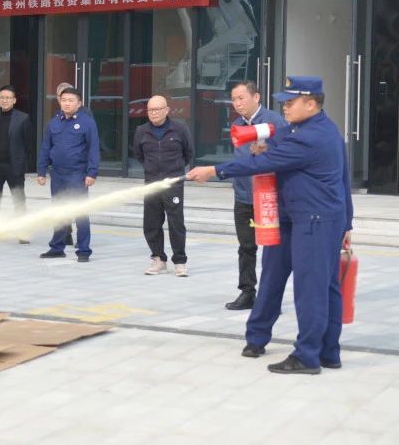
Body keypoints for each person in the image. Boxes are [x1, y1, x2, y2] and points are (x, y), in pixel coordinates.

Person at [187, 76, 353, 375]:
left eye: (291, 102)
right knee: (294, 281)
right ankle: (326, 352)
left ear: (312, 103)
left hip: (314, 221)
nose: (285, 108)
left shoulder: (310, 137)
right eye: (284, 102)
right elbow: (342, 178)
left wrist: (215, 170)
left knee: (312, 289)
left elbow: (261, 164)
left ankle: (308, 356)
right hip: (299, 218)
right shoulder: (312, 129)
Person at [224, 81, 286, 310]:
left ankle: (271, 298)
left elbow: (287, 153)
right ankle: (247, 292)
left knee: (272, 250)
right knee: (246, 246)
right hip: (242, 195)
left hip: (268, 196)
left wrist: (267, 150)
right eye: (234, 99)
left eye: (241, 98)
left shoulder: (274, 121)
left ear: (256, 97)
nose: (237, 103)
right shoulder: (237, 125)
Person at [132, 95, 194, 276]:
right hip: (152, 183)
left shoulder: (180, 129)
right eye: (150, 110)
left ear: (167, 110)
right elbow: (139, 155)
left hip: (173, 183)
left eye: (158, 109)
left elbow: (188, 153)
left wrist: (174, 171)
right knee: (151, 223)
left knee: (176, 223)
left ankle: (180, 262)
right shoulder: (141, 131)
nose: (154, 113)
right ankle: (158, 259)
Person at [37, 86, 100, 261]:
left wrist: (92, 173)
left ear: (79, 103)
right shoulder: (54, 122)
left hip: (77, 174)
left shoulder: (87, 122)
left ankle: (83, 251)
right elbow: (46, 147)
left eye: (71, 100)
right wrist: (41, 170)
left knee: (80, 212)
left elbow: (93, 149)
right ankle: (57, 247)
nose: (67, 103)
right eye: (64, 100)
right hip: (57, 174)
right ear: (59, 101)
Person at [0, 85, 32, 242]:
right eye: (2, 97)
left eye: (8, 98)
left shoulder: (23, 118)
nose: (4, 100)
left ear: (14, 100)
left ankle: (23, 233)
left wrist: (21, 161)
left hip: (14, 167)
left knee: (19, 201)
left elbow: (28, 143)